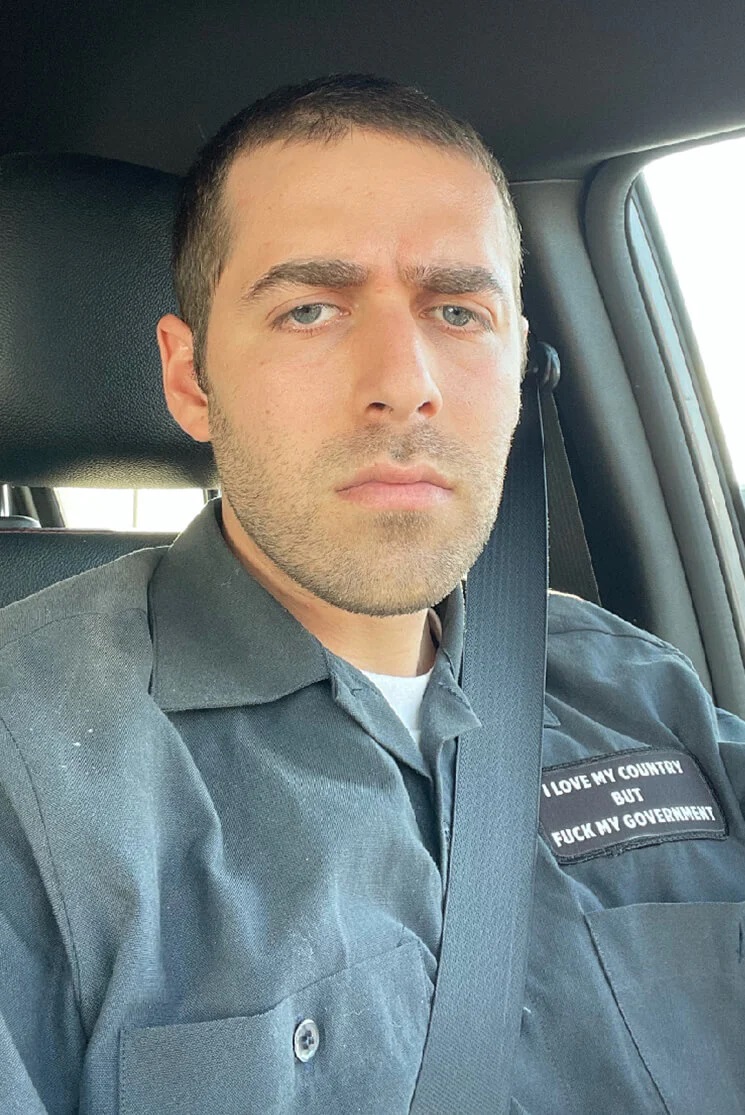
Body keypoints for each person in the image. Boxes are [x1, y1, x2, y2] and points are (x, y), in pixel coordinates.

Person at [1, 74, 744, 1115]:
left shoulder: (643, 690)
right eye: (308, 309)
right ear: (191, 379)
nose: (404, 382)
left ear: (518, 361)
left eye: (458, 310)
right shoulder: (32, 775)